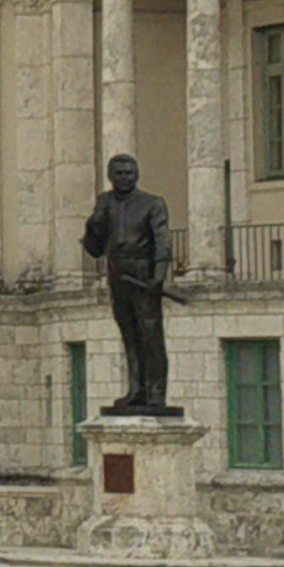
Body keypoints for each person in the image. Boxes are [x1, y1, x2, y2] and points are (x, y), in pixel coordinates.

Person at [81, 152, 176, 414]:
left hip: (142, 271)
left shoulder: (152, 203)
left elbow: (162, 242)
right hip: (117, 272)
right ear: (111, 177)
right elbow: (94, 249)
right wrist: (94, 224)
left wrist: (158, 275)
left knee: (151, 335)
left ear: (137, 175)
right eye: (119, 173)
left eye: (129, 173)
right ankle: (136, 390)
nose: (124, 177)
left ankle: (156, 392)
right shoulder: (105, 203)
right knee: (130, 336)